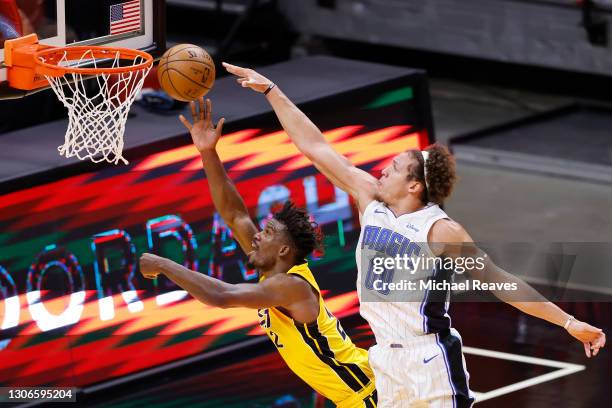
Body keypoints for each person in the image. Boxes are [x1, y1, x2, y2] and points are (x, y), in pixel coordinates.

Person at [222, 62, 607, 408]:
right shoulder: (369, 199)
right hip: (385, 362)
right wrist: (273, 91)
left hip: (430, 360)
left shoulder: (442, 231)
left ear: (414, 187)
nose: (382, 170)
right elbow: (315, 146)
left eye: (393, 167)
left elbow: (501, 282)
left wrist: (569, 323)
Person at [139, 98, 378, 408]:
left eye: (265, 233)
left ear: (282, 248)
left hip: (370, 396)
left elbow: (222, 296)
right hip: (351, 394)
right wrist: (208, 152)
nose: (255, 238)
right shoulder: (275, 270)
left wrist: (164, 264)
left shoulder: (289, 285)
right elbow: (235, 214)